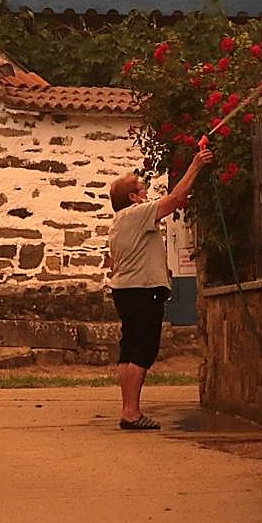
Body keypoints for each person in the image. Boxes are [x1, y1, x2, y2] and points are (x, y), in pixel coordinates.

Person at [107, 147, 213, 430]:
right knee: (144, 349)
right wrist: (196, 165)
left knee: (128, 349)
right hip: (144, 290)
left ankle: (128, 407)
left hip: (125, 289)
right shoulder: (137, 214)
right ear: (132, 198)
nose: (145, 193)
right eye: (141, 190)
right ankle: (131, 412)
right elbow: (175, 199)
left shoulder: (118, 223)